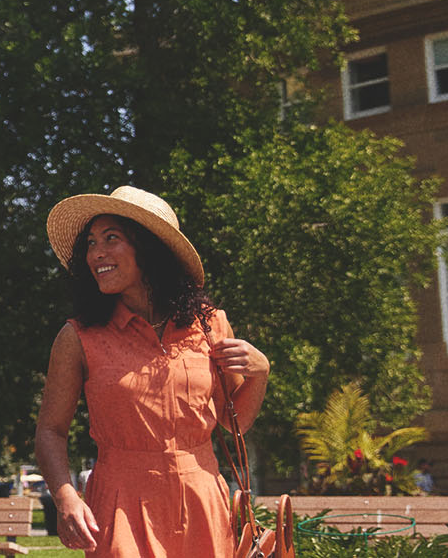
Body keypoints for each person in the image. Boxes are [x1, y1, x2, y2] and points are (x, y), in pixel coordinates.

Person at [32, 186, 271, 557]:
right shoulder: (78, 337)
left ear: (150, 249)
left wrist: (260, 373)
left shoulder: (210, 325)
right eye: (91, 243)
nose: (97, 253)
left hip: (203, 500)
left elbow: (233, 423)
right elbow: (50, 429)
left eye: (111, 238)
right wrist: (65, 498)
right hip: (119, 503)